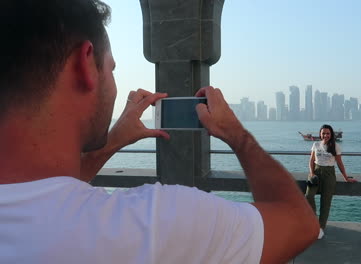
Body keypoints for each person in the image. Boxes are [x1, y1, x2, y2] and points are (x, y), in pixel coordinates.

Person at [0, 1, 319, 263]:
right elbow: (300, 223)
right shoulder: (160, 225)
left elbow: (44, 195)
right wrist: (236, 133)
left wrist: (112, 141)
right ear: (85, 65)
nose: (113, 83)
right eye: (111, 68)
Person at [305, 124, 357, 239]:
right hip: (316, 174)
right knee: (308, 196)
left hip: (329, 175)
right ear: (320, 134)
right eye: (323, 133)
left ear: (331, 134)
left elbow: (339, 163)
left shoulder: (336, 146)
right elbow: (311, 161)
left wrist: (346, 177)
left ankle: (320, 228)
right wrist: (312, 173)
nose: (325, 135)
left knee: (326, 202)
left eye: (328, 133)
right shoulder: (316, 144)